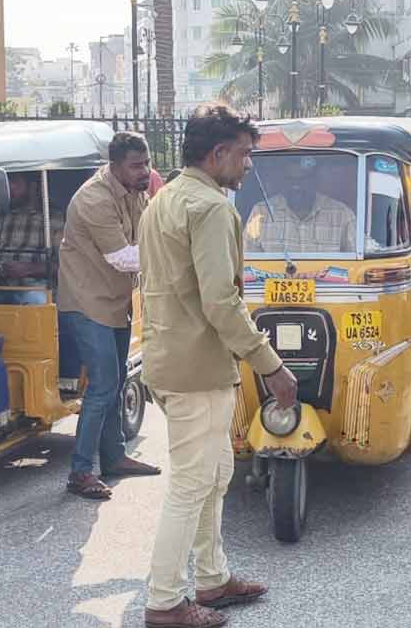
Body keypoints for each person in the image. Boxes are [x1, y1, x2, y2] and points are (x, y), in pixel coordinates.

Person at [139, 104, 298, 628]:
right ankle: (165, 603)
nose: (249, 165)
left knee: (217, 474)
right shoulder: (209, 207)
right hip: (195, 366)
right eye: (245, 154)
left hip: (172, 357)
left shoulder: (164, 199)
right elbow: (221, 302)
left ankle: (211, 578)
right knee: (192, 482)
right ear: (219, 153)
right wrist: (269, 363)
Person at [59, 132, 161, 500]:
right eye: (137, 166)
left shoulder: (136, 192)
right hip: (88, 304)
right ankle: (79, 473)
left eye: (147, 163)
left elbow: (151, 234)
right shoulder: (93, 199)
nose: (145, 171)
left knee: (117, 383)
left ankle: (114, 458)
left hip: (115, 301)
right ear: (114, 165)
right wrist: (176, 255)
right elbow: (124, 257)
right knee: (102, 387)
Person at [244, 156, 357, 253]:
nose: (296, 186)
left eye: (303, 180)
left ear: (315, 181)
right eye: (290, 180)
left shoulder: (341, 214)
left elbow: (360, 255)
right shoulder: (261, 212)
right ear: (282, 181)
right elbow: (246, 255)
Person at [0, 171, 64, 285]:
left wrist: (30, 269)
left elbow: (65, 266)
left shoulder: (53, 219)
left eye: (16, 182)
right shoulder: (0, 216)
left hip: (34, 288)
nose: (10, 187)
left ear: (33, 187)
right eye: (8, 182)